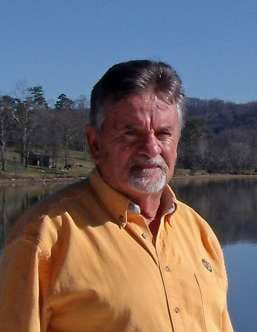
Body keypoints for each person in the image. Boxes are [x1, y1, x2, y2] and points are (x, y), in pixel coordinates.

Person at [0, 60, 233, 332]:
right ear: (95, 144)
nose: (151, 148)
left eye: (163, 133)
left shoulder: (198, 232)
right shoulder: (44, 237)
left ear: (178, 142)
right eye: (130, 133)